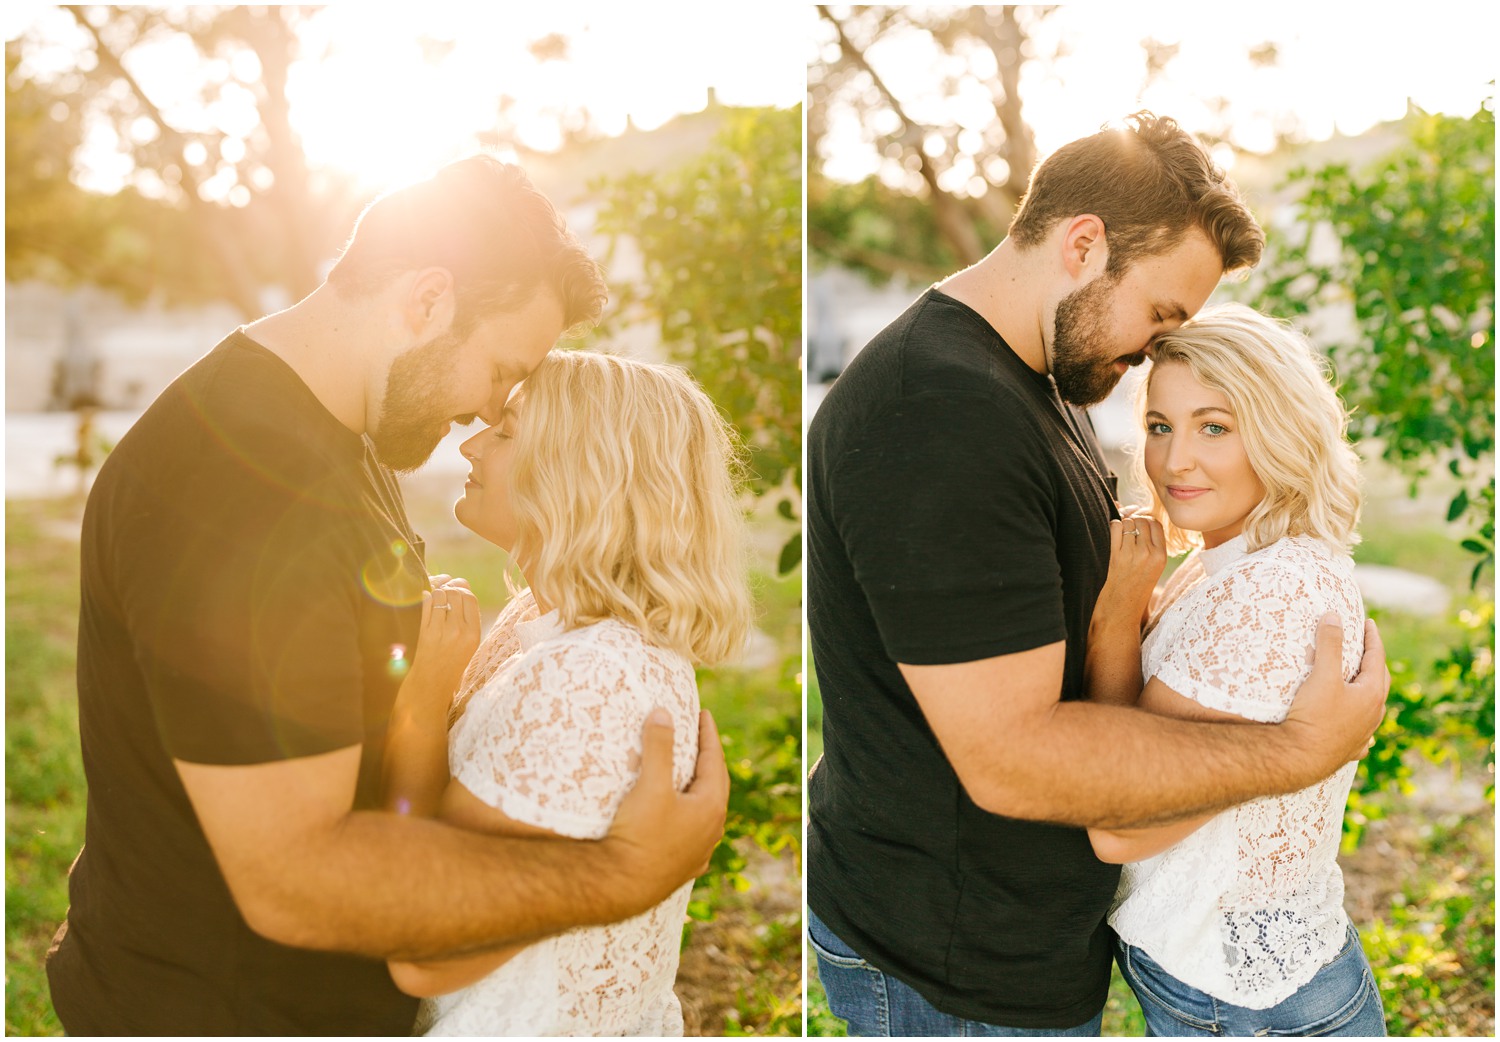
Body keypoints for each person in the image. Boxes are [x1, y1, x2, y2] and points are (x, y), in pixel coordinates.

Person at [45, 157, 729, 1035]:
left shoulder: (338, 430)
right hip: (225, 1011)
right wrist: (623, 876)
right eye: (502, 369)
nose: (489, 412)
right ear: (428, 298)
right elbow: (293, 880)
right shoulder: (246, 490)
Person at [806, 112, 1390, 1036]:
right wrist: (1300, 752)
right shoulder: (937, 412)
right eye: (1160, 316)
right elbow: (1010, 757)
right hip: (949, 958)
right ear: (1084, 245)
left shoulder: (1032, 374)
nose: (1147, 359)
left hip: (1022, 944)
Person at [373, 350, 753, 1035]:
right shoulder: (539, 627)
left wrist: (420, 705)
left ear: (586, 474)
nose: (470, 442)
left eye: (508, 431)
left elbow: (426, 953)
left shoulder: (586, 681)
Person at [1084, 304, 1385, 1036]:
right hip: (1223, 982)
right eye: (1161, 426)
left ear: (1280, 432)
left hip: (1251, 1007)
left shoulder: (1271, 593)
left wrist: (1116, 617)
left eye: (1214, 426)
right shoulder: (1226, 558)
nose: (1174, 459)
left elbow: (1119, 826)